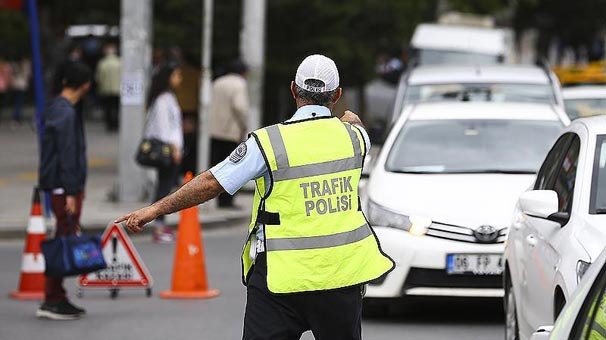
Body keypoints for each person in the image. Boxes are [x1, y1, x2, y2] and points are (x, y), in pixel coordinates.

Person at [117, 54, 395, 339]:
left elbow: (212, 183)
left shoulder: (268, 143)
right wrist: (348, 118)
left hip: (280, 279)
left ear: (292, 90)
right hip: (341, 277)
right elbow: (356, 122)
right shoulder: (355, 138)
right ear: (337, 95)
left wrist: (156, 209)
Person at [37, 62, 91, 320]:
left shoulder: (56, 107)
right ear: (85, 85)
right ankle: (53, 298)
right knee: (63, 239)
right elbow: (67, 155)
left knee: (63, 236)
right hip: (64, 187)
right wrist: (72, 191)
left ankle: (56, 296)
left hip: (60, 185)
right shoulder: (66, 113)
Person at [143, 64, 184, 243]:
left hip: (172, 148)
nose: (179, 79)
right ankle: (158, 226)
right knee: (164, 188)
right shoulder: (162, 100)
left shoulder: (168, 97)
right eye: (176, 75)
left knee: (165, 186)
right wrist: (174, 148)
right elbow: (163, 128)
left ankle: (160, 224)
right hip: (168, 150)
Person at [209, 59, 249, 208]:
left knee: (217, 166)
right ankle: (227, 201)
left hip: (214, 130)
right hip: (230, 131)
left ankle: (217, 198)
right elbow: (240, 106)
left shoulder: (217, 82)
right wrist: (244, 124)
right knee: (232, 167)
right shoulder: (239, 84)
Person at [95, 43, 121, 131]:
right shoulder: (120, 62)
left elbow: (99, 77)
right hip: (118, 89)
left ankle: (109, 124)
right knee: (117, 108)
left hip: (106, 89)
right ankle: (116, 124)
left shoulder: (102, 63)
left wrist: (100, 87)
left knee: (108, 108)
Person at [11, 56, 31, 126]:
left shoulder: (15, 65)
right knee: (19, 102)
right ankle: (17, 118)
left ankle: (16, 118)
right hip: (22, 86)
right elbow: (28, 75)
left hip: (16, 85)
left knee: (17, 102)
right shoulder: (25, 65)